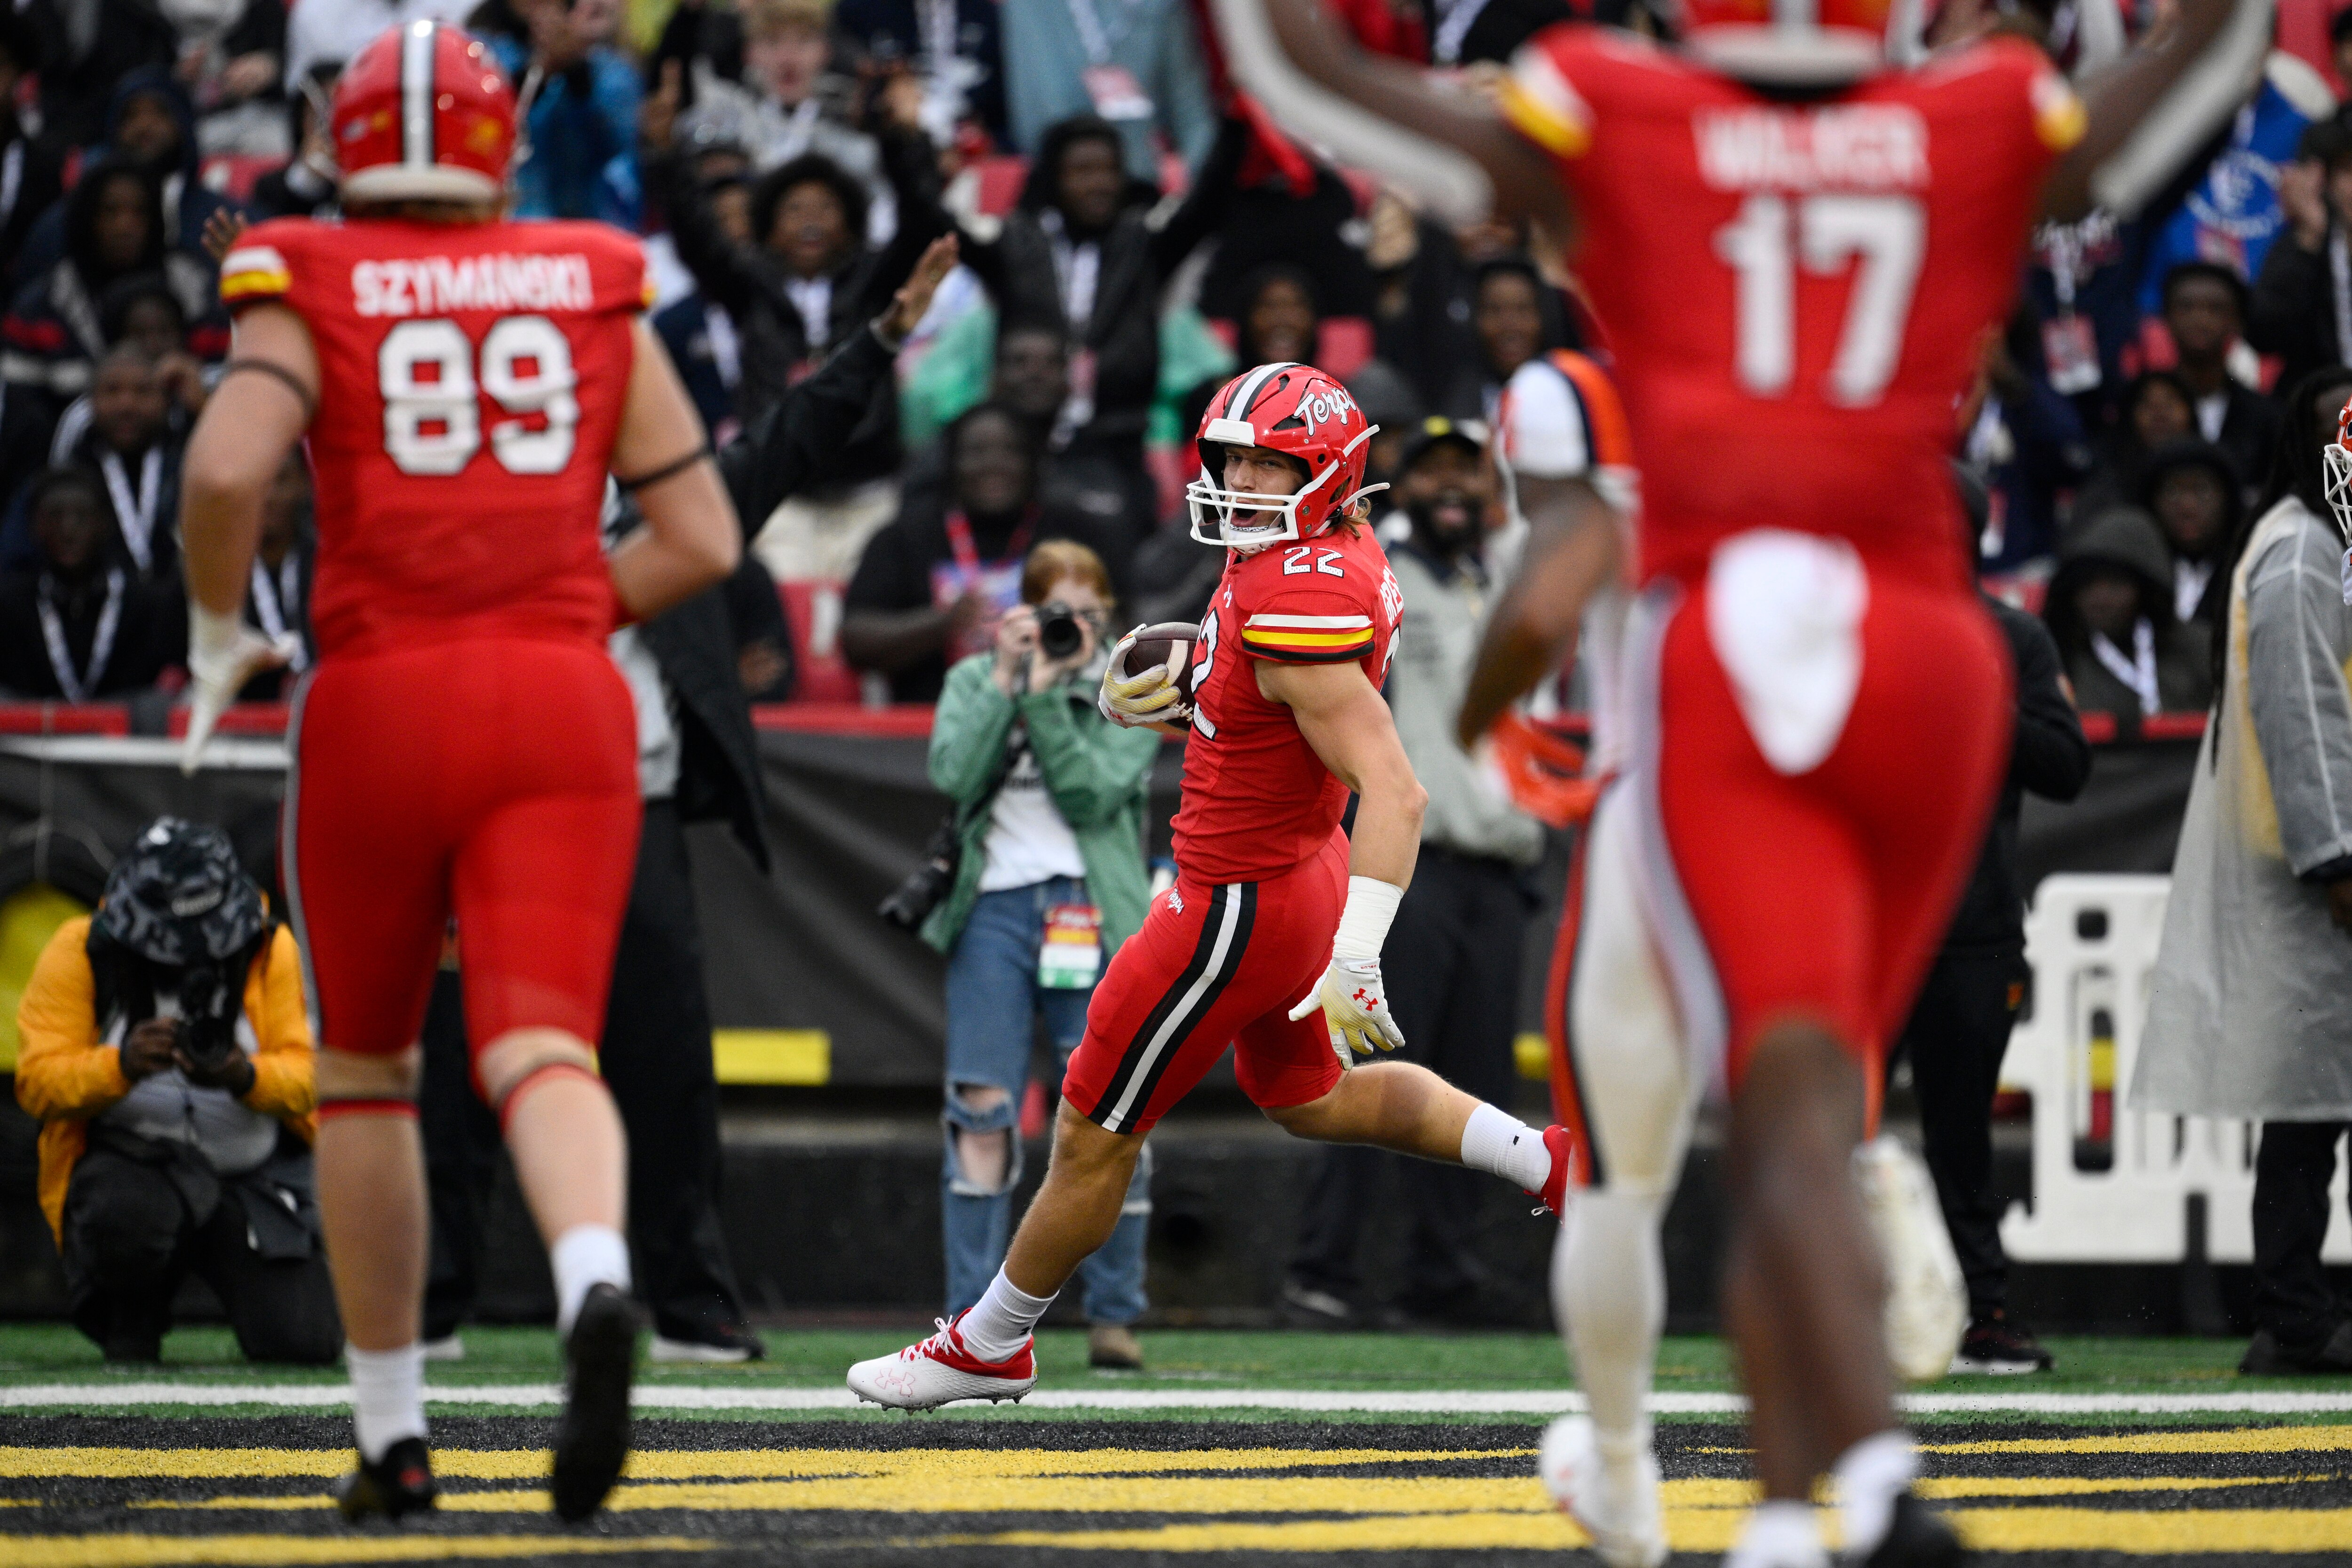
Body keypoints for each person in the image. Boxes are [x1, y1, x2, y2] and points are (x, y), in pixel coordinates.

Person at [1231, 0, 2267, 1556]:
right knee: (1811, 1088)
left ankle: (1828, 1473)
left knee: (1704, 1128)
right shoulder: (1971, 105)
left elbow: (1311, 71)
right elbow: (2173, 87)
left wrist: (1503, 715)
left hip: (1723, 666)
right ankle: (1788, 1502)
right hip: (1932, 644)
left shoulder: (1616, 122)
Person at [175, 21, 740, 1523]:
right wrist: (549, 615)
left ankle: (391, 1436)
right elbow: (701, 541)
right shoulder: (590, 272)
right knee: (543, 1046)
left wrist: (219, 629)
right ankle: (595, 1277)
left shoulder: (308, 265)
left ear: (343, 140)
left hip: (378, 691)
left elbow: (227, 471)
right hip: (562, 699)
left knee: (367, 1071)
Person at [846, 361, 1576, 1411]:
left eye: (1266, 464)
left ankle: (991, 1338)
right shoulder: (1324, 552)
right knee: (1315, 1098)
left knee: (1094, 1127)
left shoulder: (1293, 596)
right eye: (1229, 456)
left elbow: (1398, 791)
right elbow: (1277, 703)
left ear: (1323, 474)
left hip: (1237, 899)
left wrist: (1358, 952)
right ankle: (1542, 1160)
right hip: (1295, 869)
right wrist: (1200, 688)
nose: (1236, 479)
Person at [1286, 413, 1554, 1329]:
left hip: (1496, 866)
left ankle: (1442, 1275)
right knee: (1366, 1067)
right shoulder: (1383, 580)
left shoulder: (1501, 581)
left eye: (1465, 471)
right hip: (1414, 864)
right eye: (1430, 469)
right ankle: (1325, 1271)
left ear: (1489, 487)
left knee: (1474, 1073)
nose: (1449, 486)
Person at [2136, 366, 2352, 1375]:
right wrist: (2336, 856)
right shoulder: (2302, 554)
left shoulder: (2323, 544)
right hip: (2316, 876)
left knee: (2313, 1105)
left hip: (2318, 866)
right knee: (2306, 1108)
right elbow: (2302, 718)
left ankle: (2296, 1314)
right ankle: (2292, 1319)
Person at [923, 539, 1160, 1369]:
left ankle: (1115, 1314)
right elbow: (952, 774)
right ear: (1021, 616)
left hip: (1093, 910)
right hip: (992, 908)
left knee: (1112, 1110)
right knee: (979, 1107)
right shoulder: (980, 678)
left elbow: (1093, 791)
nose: (1070, 631)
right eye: (1054, 614)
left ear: (1109, 619)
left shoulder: (1134, 689)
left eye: (1085, 616)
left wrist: (1053, 701)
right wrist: (1008, 686)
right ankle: (969, 1317)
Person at [14, 818, 338, 1365]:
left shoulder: (270, 947)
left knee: (305, 1343)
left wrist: (244, 1077)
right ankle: (130, 1319)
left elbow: (312, 1078)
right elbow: (37, 1083)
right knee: (125, 1211)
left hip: (250, 1177)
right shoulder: (81, 949)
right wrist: (121, 1066)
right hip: (134, 1166)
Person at [1900, 468, 2092, 1376]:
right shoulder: (1855, 633)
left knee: (1962, 1128)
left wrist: (1980, 697)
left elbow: (2065, 763)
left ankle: (1985, 1311)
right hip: (1864, 929)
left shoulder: (2012, 638)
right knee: (1827, 1124)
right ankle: (1813, 1313)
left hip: (1970, 929)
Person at [842, 401, 1126, 701]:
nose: (994, 465)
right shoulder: (905, 535)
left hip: (1055, 722)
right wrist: (943, 623)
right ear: (951, 462)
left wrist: (1072, 626)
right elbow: (856, 640)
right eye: (976, 452)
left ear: (1033, 461)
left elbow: (1121, 631)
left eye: (1011, 451)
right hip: (932, 726)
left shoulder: (1074, 532)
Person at [0, 466, 181, 700]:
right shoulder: (11, 606)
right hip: (29, 734)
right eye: (56, 516)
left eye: (82, 516)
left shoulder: (146, 605)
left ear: (104, 523)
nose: (68, 531)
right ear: (36, 525)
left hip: (126, 737)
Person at [997, 0, 1216, 181]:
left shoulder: (1160, 9)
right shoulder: (1026, 10)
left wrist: (1186, 196)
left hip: (1145, 186)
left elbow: (1193, 114)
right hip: (1060, 195)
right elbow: (1030, 123)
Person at [2042, 506, 2214, 719]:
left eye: (2115, 584)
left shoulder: (2201, 650)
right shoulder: (2058, 658)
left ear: (2147, 589)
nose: (2100, 598)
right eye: (2087, 584)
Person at [2159, 260, 2280, 514]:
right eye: (2186, 307)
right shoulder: (2144, 411)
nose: (2200, 319)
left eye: (2215, 309)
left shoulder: (2266, 417)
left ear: (2237, 322)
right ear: (2166, 319)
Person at [2250, 115, 2352, 398]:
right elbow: (2264, 334)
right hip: (2324, 418)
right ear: (2326, 181)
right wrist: (2309, 240)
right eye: (2348, 170)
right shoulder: (2308, 243)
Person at [2138, 438, 2241, 627]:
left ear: (2228, 499)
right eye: (2172, 492)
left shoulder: (2250, 568)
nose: (2187, 507)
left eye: (2203, 491)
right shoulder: (2138, 573)